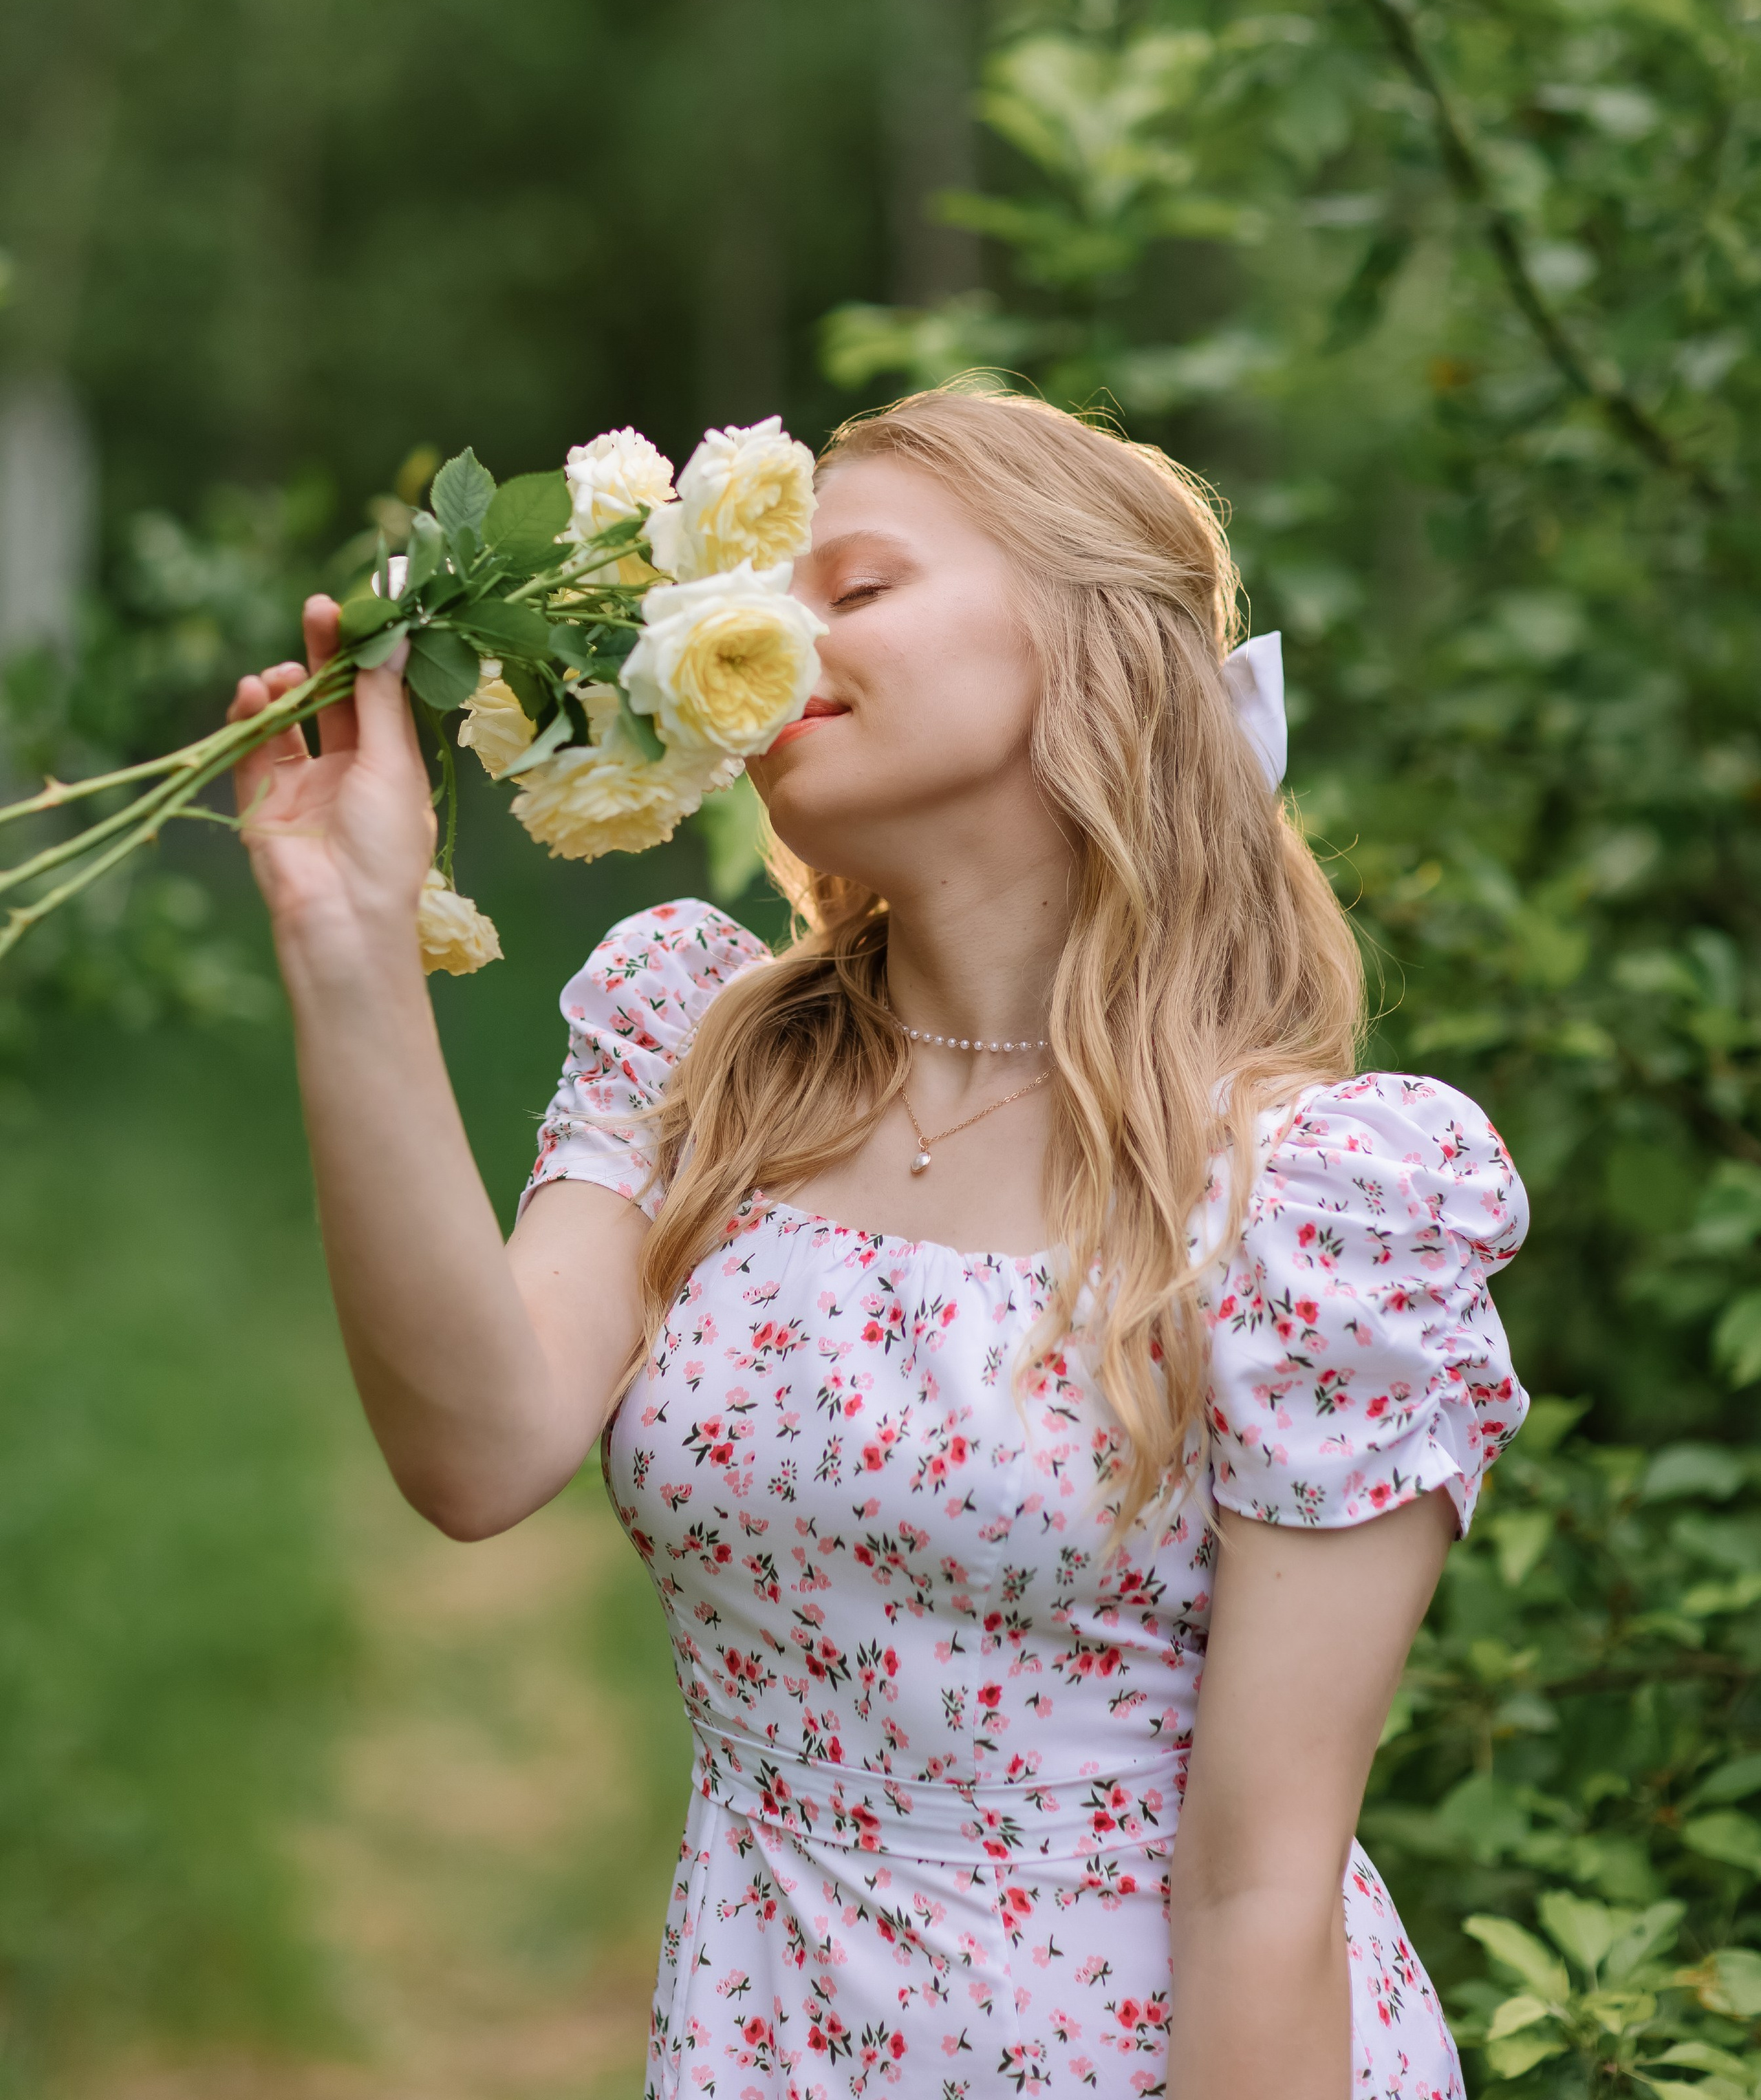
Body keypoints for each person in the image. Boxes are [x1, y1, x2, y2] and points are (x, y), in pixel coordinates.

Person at [228, 387, 1527, 2100]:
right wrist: (347, 942)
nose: (763, 628)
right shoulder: (700, 1052)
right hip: (758, 2046)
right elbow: (476, 1450)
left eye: (857, 586)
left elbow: (1259, 1885)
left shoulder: (1314, 1207)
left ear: (1089, 646)